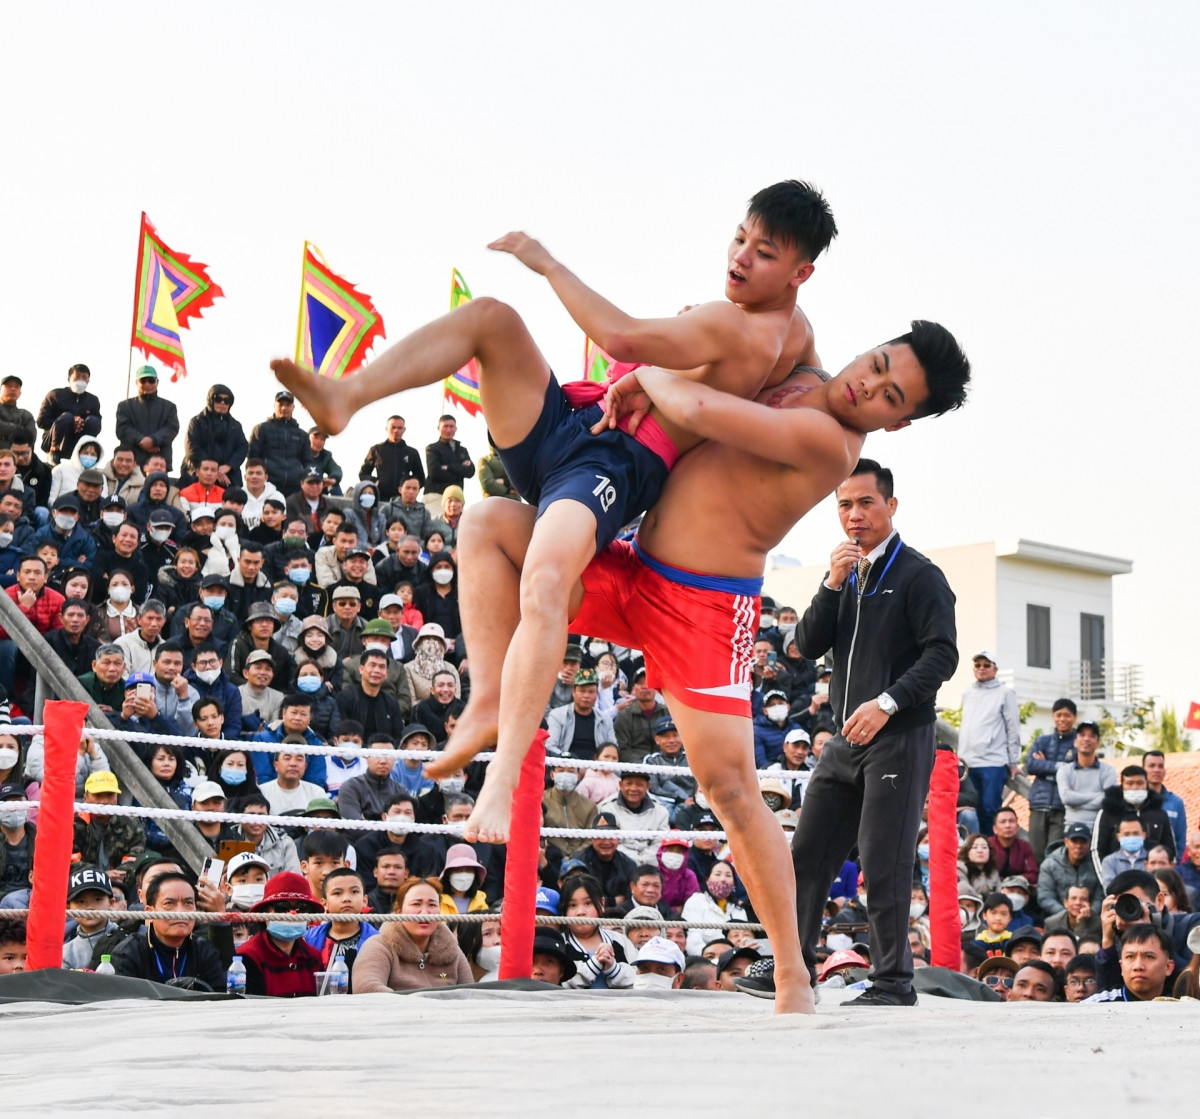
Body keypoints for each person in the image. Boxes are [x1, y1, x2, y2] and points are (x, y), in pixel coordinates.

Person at [397, 325, 968, 1015]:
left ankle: (793, 972)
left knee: (728, 788)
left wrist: (639, 374)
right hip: (636, 564)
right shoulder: (793, 351)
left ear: (897, 421)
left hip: (705, 608)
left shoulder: (833, 443)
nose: (867, 386)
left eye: (888, 394)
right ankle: (492, 720)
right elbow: (736, 318)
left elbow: (694, 407)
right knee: (487, 522)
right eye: (876, 365)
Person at [275, 182, 836, 793]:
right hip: (574, 421)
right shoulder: (789, 329)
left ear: (799, 272)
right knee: (490, 319)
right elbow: (806, 366)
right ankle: (346, 395)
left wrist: (546, 262)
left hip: (614, 468)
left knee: (542, 578)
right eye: (740, 238)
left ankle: (499, 750)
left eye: (765, 253)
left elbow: (618, 336)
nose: (741, 256)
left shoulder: (745, 328)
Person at [352, 876, 472, 992]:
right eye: (416, 904)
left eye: (432, 905)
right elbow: (367, 987)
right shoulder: (379, 945)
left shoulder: (451, 948)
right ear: (399, 911)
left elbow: (471, 993)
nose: (425, 913)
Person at [109, 872, 226, 990]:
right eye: (169, 903)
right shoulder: (128, 953)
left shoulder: (205, 951)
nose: (180, 912)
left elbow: (224, 997)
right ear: (149, 912)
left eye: (188, 903)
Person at [956, 651, 1021, 836]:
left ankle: (989, 854)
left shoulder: (1005, 693)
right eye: (978, 665)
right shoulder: (968, 692)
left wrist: (1013, 761)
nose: (982, 668)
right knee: (970, 810)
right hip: (967, 763)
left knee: (989, 809)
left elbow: (1013, 727)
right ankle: (971, 853)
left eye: (987, 665)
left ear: (995, 669)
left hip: (993, 761)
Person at [239, 872, 325, 996]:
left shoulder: (313, 956)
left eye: (302, 907)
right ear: (265, 912)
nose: (292, 914)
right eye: (282, 906)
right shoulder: (248, 956)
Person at [303, 868, 377, 990]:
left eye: (354, 892)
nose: (346, 898)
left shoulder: (376, 940)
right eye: (337, 893)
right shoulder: (309, 939)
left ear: (365, 901)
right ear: (324, 903)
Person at [1091, 764, 1177, 869]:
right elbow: (1098, 850)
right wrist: (1107, 881)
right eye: (1130, 783)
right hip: (1117, 877)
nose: (1135, 787)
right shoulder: (1108, 813)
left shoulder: (1160, 814)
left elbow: (1170, 850)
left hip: (1153, 879)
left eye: (1140, 783)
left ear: (1147, 784)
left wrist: (1164, 879)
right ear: (1122, 785)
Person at [558, 873, 635, 989]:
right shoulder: (559, 943)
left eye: (588, 903)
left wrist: (614, 969)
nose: (580, 912)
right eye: (572, 905)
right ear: (564, 909)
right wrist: (593, 965)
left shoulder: (619, 940)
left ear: (602, 904)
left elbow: (639, 978)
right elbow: (555, 981)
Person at [1025, 697, 1077, 861]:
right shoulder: (1042, 741)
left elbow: (1075, 771)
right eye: (1059, 715)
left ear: (1074, 718)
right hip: (1039, 803)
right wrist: (1059, 766)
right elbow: (1031, 765)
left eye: (1067, 715)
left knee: (1055, 854)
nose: (1062, 719)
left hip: (1061, 807)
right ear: (1053, 716)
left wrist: (1045, 765)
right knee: (1035, 853)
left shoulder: (1078, 744)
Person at [1085, 924, 1177, 1002]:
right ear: (1121, 966)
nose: (1138, 966)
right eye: (1130, 957)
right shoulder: (1097, 1005)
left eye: (1149, 957)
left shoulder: (1184, 1005)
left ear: (1168, 967)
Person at [182, 383, 248, 488]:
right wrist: (213, 470)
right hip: (198, 472)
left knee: (236, 497)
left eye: (227, 401)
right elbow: (192, 448)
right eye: (218, 399)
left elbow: (243, 447)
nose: (222, 403)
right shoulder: (197, 422)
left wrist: (229, 466)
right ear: (211, 400)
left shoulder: (236, 426)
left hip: (228, 475)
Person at [1055, 721, 1117, 832]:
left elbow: (1108, 801)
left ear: (1098, 744)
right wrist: (1098, 795)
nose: (1086, 739)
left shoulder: (1109, 771)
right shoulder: (1064, 770)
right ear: (1075, 742)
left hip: (1100, 829)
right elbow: (1066, 798)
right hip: (1071, 829)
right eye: (1082, 735)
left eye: (1092, 736)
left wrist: (1075, 800)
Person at [248, 394, 313, 497]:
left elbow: (308, 462)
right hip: (268, 486)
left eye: (288, 405)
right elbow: (253, 458)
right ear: (274, 405)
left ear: (293, 407)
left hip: (295, 487)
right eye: (281, 404)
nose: (284, 408)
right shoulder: (261, 429)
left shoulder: (303, 435)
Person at [37, 363, 102, 464]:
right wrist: (70, 421)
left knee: (93, 420)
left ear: (88, 380)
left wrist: (81, 423)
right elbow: (41, 422)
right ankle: (54, 453)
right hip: (54, 439)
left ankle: (86, 453)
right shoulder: (55, 395)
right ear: (69, 379)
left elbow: (98, 425)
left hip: (78, 440)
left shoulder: (93, 400)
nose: (81, 380)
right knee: (67, 417)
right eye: (77, 377)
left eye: (84, 377)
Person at [359, 415, 424, 500]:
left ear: (404, 430)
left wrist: (410, 488)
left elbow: (420, 478)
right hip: (380, 498)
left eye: (399, 428)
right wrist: (374, 482)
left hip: (403, 501)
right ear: (386, 428)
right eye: (393, 427)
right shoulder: (376, 450)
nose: (396, 430)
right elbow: (363, 474)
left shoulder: (412, 452)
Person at [1141, 750, 1187, 859]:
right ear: (1143, 770)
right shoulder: (1136, 800)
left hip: (1166, 865)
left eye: (1160, 766)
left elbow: (1180, 839)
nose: (1156, 770)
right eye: (1151, 766)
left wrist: (1175, 866)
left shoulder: (1176, 803)